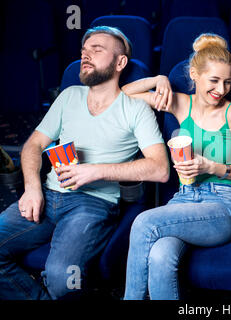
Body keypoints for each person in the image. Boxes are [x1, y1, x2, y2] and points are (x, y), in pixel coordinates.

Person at [0, 26, 170, 300]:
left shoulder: (135, 109)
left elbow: (160, 168)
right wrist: (32, 187)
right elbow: (33, 145)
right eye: (83, 50)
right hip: (47, 195)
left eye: (97, 50)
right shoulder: (69, 96)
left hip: (93, 204)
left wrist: (94, 171)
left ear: (120, 62)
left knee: (62, 280)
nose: (85, 55)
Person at [122, 33, 231, 300]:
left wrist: (213, 167)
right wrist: (158, 80)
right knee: (160, 256)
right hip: (184, 199)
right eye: (214, 80)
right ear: (195, 74)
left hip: (222, 204)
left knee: (144, 223)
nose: (222, 89)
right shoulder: (182, 103)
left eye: (227, 82)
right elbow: (124, 94)